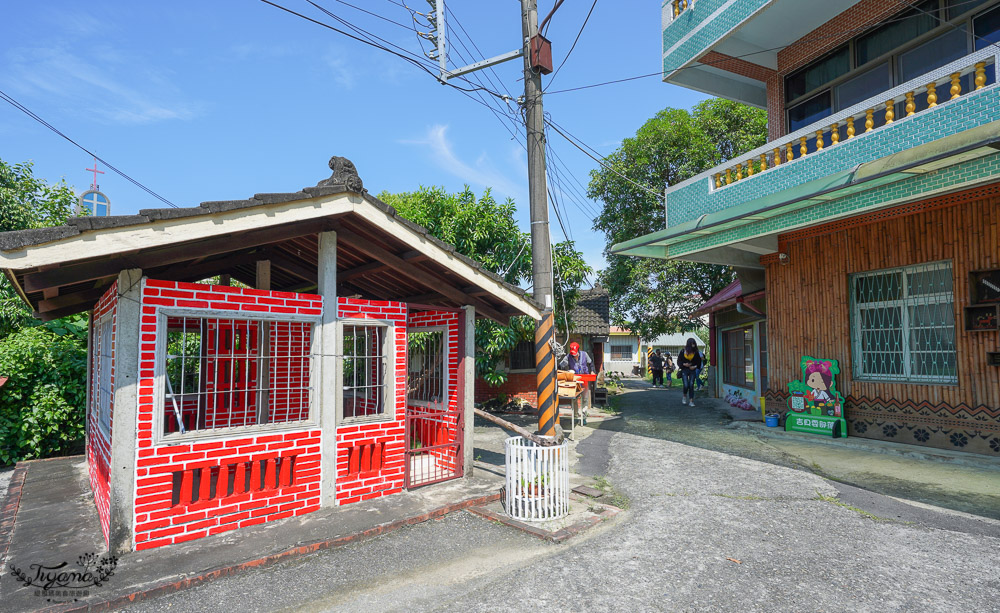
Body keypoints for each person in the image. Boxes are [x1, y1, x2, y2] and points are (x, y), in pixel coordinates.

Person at [676, 338, 703, 406]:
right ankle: (684, 396)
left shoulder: (696, 352)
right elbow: (679, 361)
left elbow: (699, 362)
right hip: (684, 369)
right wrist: (683, 364)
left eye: (694, 343)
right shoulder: (682, 351)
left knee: (691, 385)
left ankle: (691, 401)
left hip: (692, 370)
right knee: (686, 385)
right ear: (688, 344)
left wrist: (695, 366)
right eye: (692, 343)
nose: (693, 345)